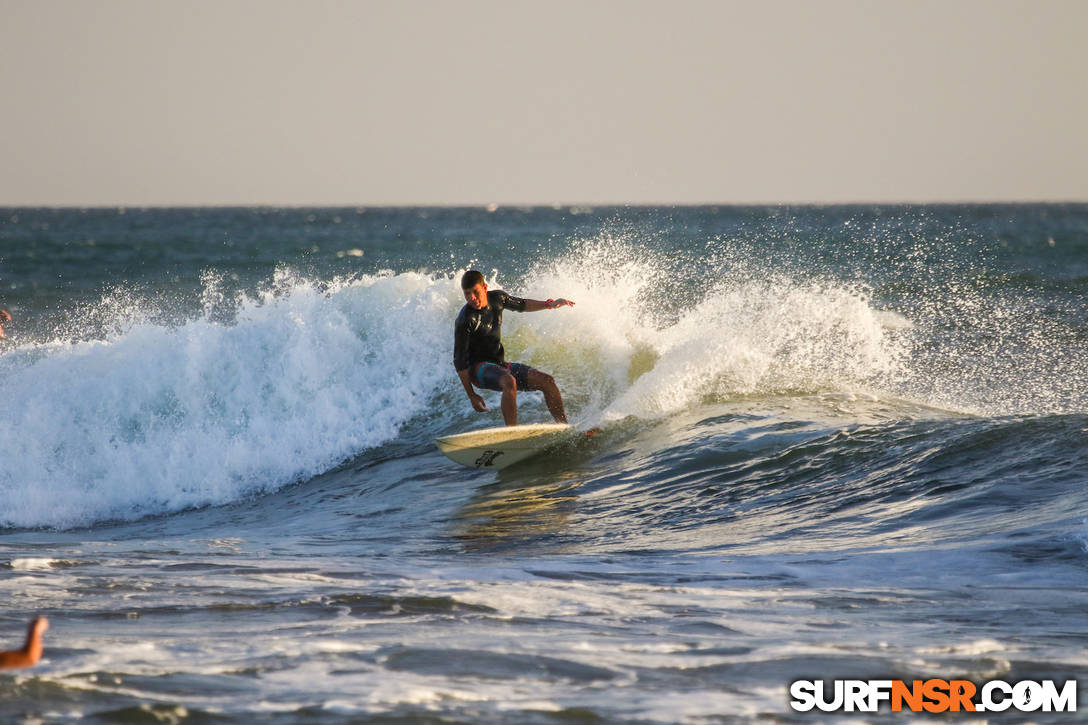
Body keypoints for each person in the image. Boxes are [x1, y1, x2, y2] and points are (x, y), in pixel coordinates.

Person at [453, 270, 574, 426]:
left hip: (498, 364)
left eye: (475, 292)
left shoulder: (497, 298)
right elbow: (460, 363)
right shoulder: (465, 320)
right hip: (477, 369)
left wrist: (549, 304)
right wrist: (472, 395)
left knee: (547, 381)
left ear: (484, 287)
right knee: (509, 381)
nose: (472, 298)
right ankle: (512, 434)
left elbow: (522, 304)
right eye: (467, 294)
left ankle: (564, 427)